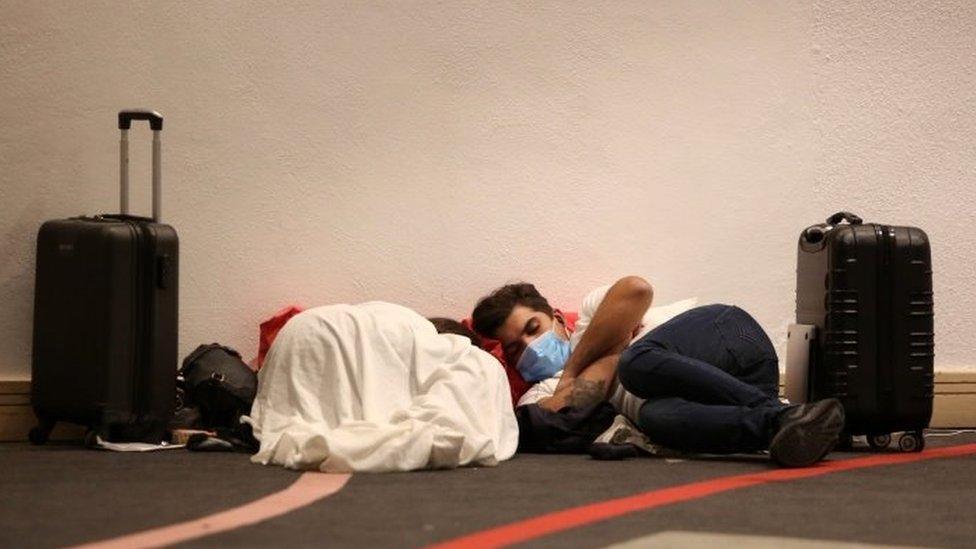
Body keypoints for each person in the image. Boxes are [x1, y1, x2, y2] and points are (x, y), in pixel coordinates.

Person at [471, 276, 845, 468]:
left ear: (555, 318)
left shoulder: (591, 313)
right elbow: (581, 402)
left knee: (636, 364)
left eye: (532, 329)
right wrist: (611, 352)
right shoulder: (536, 395)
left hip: (731, 339)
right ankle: (781, 423)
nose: (530, 347)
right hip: (733, 395)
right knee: (654, 416)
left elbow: (637, 289)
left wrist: (571, 374)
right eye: (516, 347)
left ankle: (782, 412)